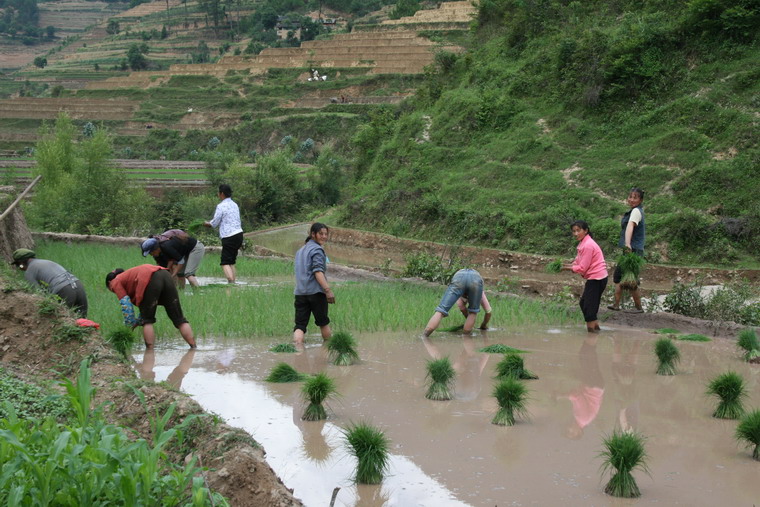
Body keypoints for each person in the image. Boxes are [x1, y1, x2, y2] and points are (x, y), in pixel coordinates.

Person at [105, 264, 197, 349]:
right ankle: (193, 347)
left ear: (109, 283)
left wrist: (129, 324)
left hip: (150, 279)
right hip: (165, 274)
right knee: (179, 319)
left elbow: (126, 305)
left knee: (147, 321)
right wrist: (137, 321)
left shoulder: (114, 282)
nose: (114, 291)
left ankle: (149, 354)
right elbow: (146, 306)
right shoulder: (128, 277)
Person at [10, 248, 88, 317]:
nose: (19, 268)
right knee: (82, 320)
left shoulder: (29, 271)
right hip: (78, 285)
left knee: (61, 319)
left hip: (63, 289)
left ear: (21, 263)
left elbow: (37, 293)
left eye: (18, 265)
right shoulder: (46, 262)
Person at [562, 220, 608, 333]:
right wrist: (566, 265)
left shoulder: (588, 245)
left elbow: (582, 268)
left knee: (588, 307)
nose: (576, 233)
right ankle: (596, 328)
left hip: (597, 278)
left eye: (578, 230)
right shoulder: (583, 243)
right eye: (574, 231)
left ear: (586, 230)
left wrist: (566, 268)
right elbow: (578, 261)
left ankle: (591, 335)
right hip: (596, 278)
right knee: (585, 304)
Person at [293, 223, 334, 345]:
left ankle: (298, 353)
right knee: (323, 322)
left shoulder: (300, 251)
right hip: (316, 292)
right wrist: (328, 290)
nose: (324, 236)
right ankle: (329, 349)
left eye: (326, 234)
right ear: (313, 234)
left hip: (300, 293)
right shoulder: (317, 250)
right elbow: (318, 271)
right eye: (321, 234)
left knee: (300, 325)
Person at [608, 188, 646, 313]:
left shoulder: (636, 211)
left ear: (640, 200)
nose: (631, 200)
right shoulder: (633, 211)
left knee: (630, 279)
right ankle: (617, 304)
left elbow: (630, 226)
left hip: (632, 248)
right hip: (632, 248)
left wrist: (628, 244)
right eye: (630, 197)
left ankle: (638, 308)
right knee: (620, 276)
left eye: (635, 197)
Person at [423, 268, 484, 337]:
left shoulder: (460, 294)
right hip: (476, 278)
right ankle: (466, 338)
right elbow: (488, 311)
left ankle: (424, 336)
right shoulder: (479, 290)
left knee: (441, 310)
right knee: (473, 312)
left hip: (459, 276)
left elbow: (461, 306)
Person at [204, 184, 244, 284]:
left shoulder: (221, 206)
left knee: (225, 262)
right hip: (239, 235)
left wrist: (205, 223)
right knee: (231, 261)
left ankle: (231, 282)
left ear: (222, 193)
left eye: (219, 193)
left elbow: (214, 223)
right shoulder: (234, 204)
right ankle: (234, 282)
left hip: (229, 236)